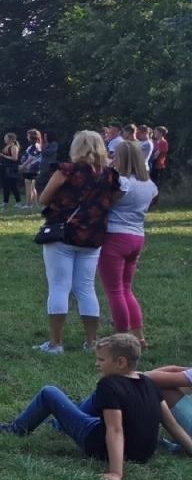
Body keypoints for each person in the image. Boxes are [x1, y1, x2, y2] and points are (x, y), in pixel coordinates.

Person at [0, 333, 191, 480]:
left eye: (101, 359)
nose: (96, 364)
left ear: (121, 362)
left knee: (49, 393)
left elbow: (115, 430)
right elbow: (171, 424)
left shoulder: (108, 385)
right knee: (84, 411)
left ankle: (16, 430)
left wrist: (116, 473)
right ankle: (60, 423)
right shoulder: (149, 383)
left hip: (98, 444)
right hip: (143, 453)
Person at [33, 130, 119, 354]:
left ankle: (55, 343)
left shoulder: (66, 171)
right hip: (93, 236)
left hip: (63, 233)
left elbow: (43, 198)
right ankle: (91, 342)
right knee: (86, 287)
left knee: (59, 286)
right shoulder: (109, 174)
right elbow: (114, 199)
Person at [99, 138, 158, 345]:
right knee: (126, 288)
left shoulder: (123, 183)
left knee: (114, 291)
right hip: (137, 236)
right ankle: (139, 335)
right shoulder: (150, 184)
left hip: (115, 236)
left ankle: (122, 338)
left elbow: (105, 200)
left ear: (121, 158)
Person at [0, 132, 22, 207]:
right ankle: (5, 201)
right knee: (5, 185)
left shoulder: (14, 147)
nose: (4, 139)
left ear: (10, 139)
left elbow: (15, 158)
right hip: (4, 167)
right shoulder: (7, 146)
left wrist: (3, 156)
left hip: (11, 168)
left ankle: (18, 202)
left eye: (6, 138)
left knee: (13, 185)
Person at [20, 129, 44, 207]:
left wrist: (24, 165)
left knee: (28, 186)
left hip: (32, 168)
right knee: (32, 186)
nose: (27, 137)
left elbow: (32, 157)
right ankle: (35, 204)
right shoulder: (36, 145)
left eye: (28, 135)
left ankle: (28, 204)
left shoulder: (35, 145)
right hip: (33, 168)